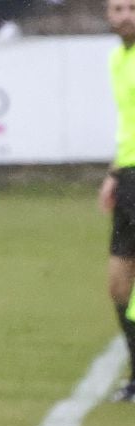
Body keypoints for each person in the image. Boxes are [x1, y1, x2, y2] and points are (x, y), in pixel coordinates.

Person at [104, 0, 135, 400]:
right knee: (118, 285)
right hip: (128, 177)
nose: (125, 16)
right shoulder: (117, 60)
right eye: (117, 9)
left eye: (131, 8)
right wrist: (113, 173)